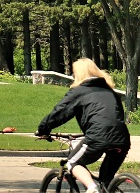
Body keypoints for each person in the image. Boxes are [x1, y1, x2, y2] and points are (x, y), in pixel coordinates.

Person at [36, 58, 132, 191]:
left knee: (72, 162)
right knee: (106, 182)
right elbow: (116, 116)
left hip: (97, 137)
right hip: (122, 139)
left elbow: (60, 112)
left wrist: (43, 129)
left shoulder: (79, 91)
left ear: (78, 74)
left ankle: (92, 188)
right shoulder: (110, 92)